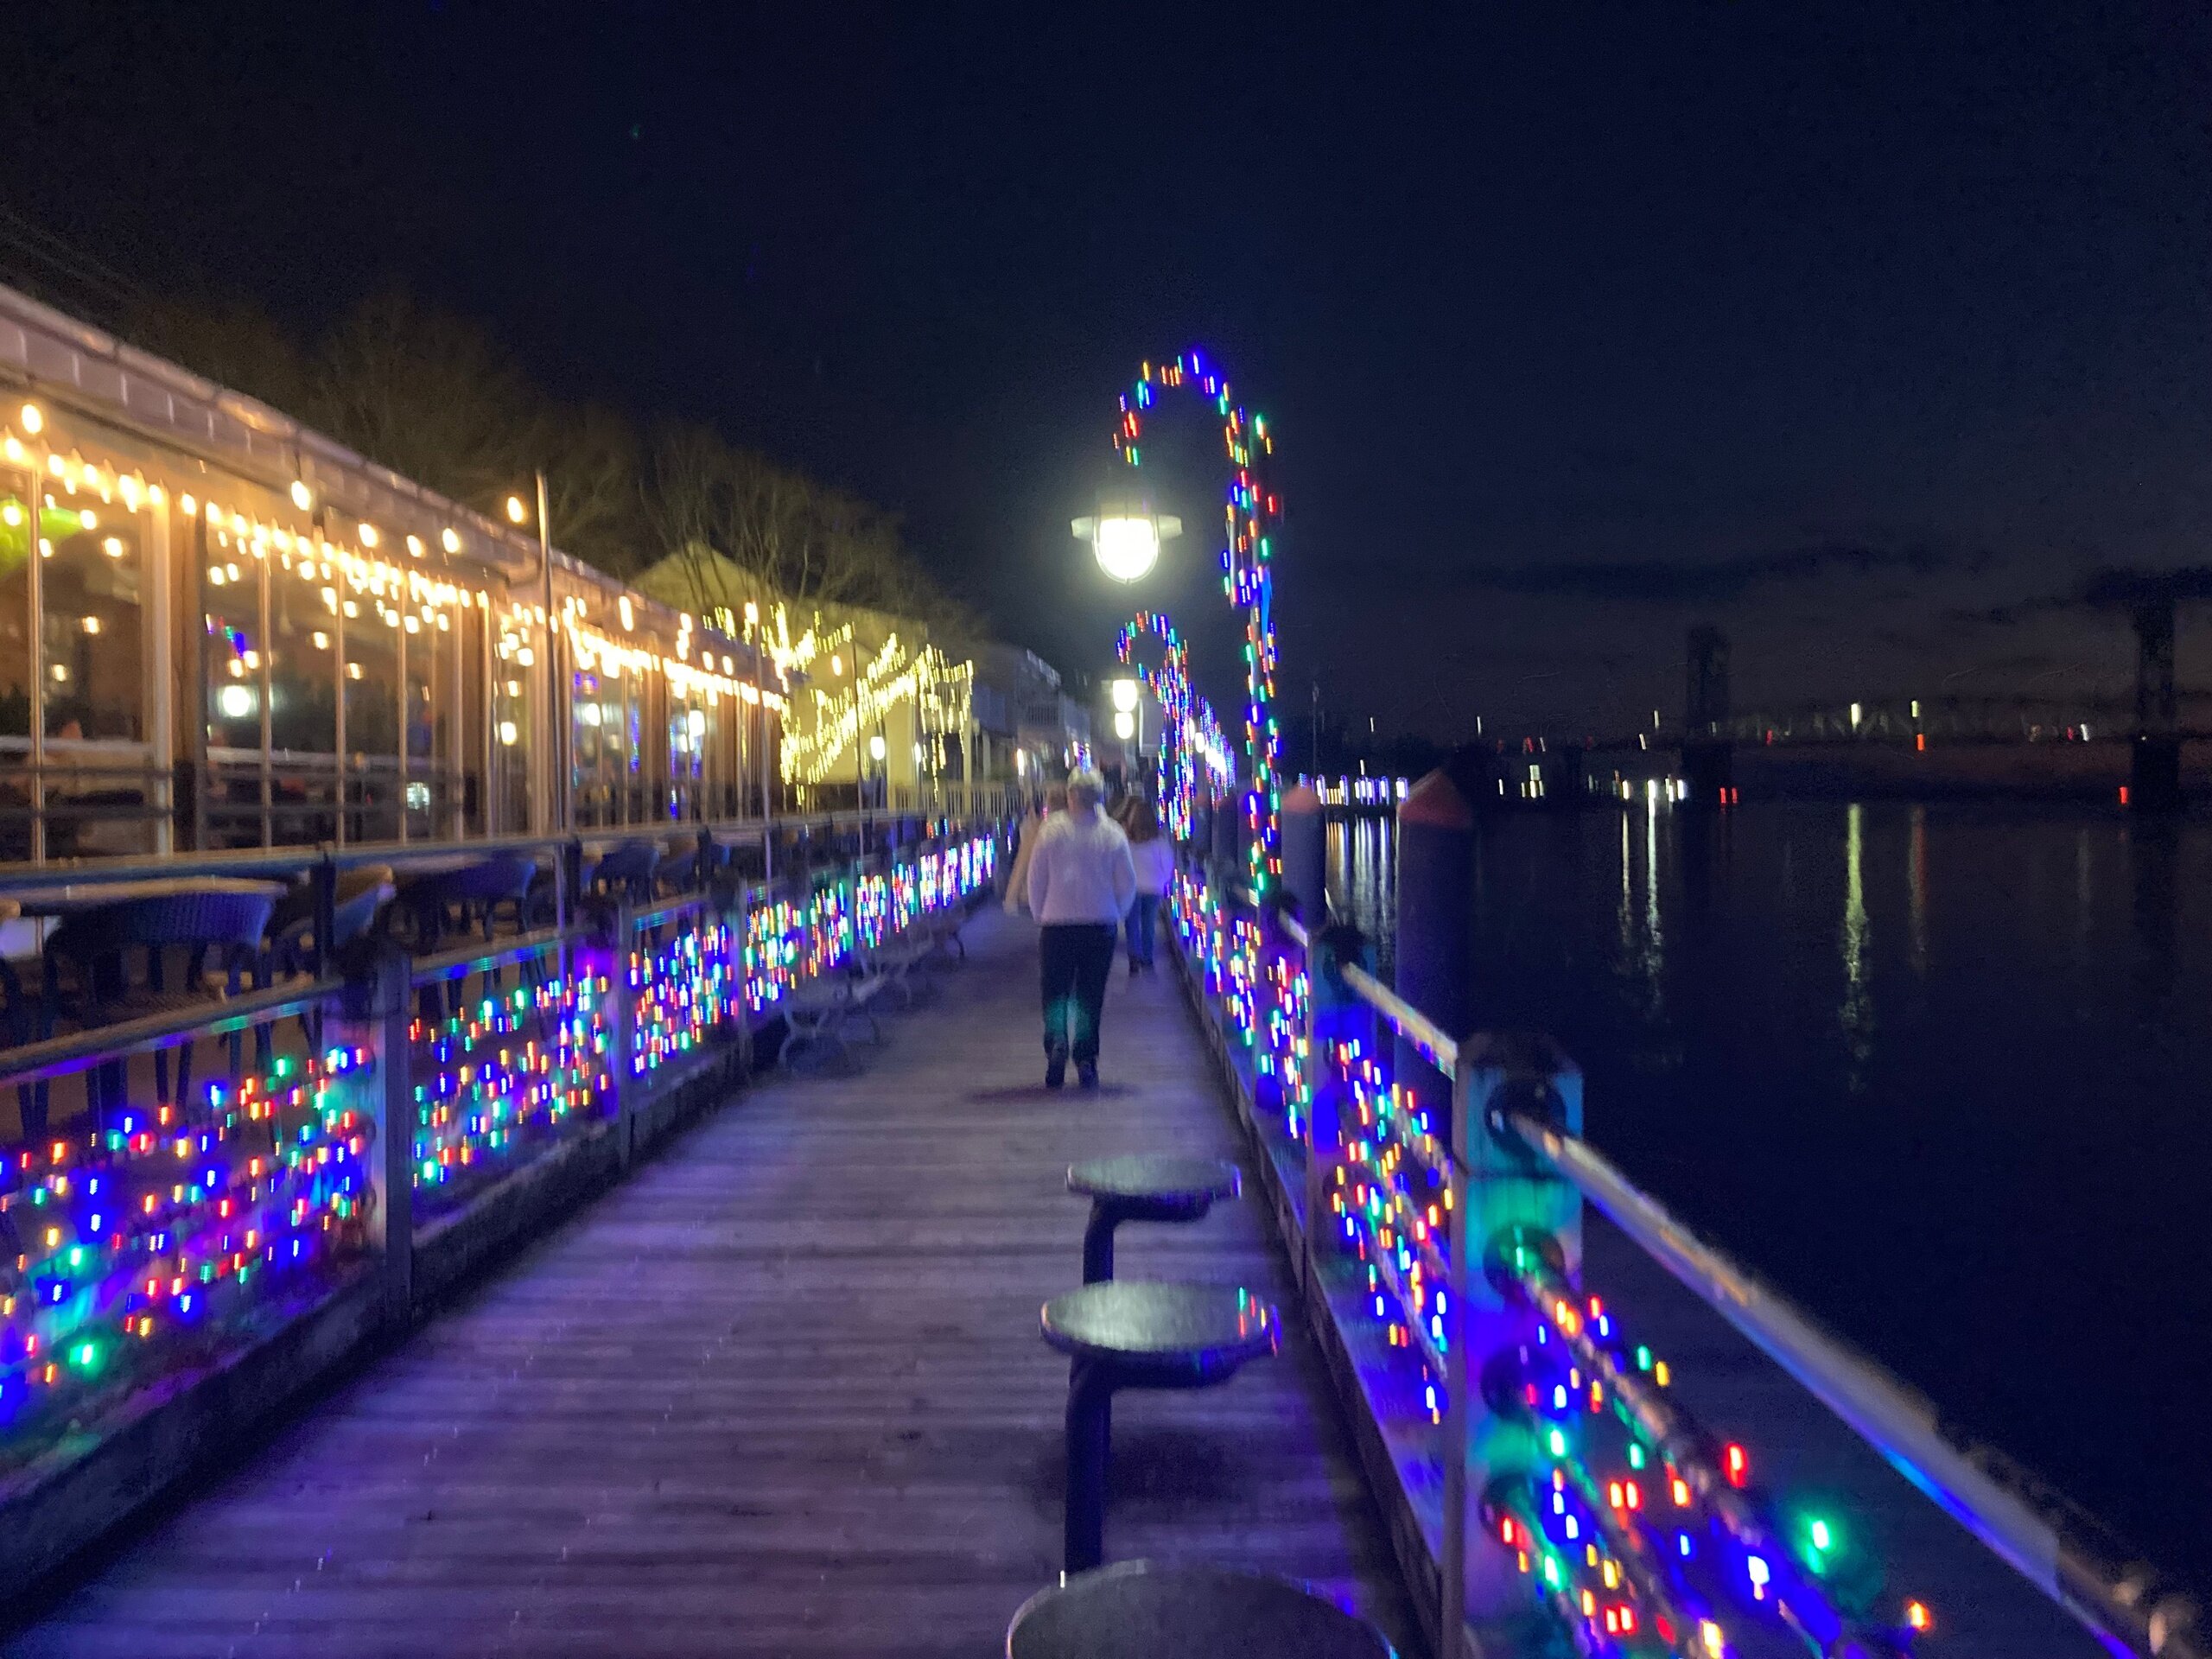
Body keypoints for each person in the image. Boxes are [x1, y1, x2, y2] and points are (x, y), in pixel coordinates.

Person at [1026, 768, 1135, 1089]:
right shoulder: (1113, 834)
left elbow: (1036, 879)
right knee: (1090, 995)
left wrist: (1039, 913)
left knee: (1055, 992)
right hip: (1099, 923)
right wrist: (1117, 912)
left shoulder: (1051, 831)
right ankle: (1086, 1059)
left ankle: (1057, 1042)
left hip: (1057, 924)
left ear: (1072, 795)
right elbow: (1127, 883)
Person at [1122, 798, 1173, 975]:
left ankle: (1134, 956)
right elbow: (1167, 863)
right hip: (1153, 887)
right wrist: (1163, 881)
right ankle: (1147, 957)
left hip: (1132, 888)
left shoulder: (1127, 841)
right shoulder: (1160, 841)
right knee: (1149, 923)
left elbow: (1121, 864)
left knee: (1132, 923)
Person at [1001, 782, 1066, 915]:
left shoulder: (1039, 831)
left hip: (1040, 900)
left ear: (1049, 804)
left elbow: (1021, 865)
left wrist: (1011, 898)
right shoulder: (1077, 830)